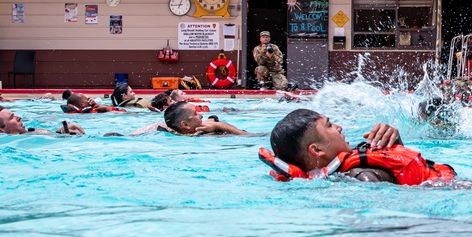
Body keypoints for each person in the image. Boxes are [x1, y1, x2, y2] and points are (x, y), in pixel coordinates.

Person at [264, 108, 455, 185]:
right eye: (329, 125)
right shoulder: (358, 176)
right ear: (317, 150)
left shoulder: (343, 172)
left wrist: (397, 145)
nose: (339, 127)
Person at [0, 105, 84, 135]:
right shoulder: (26, 137)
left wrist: (60, 131)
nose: (18, 117)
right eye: (11, 117)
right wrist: (61, 134)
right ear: (0, 131)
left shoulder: (28, 133)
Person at [163, 101, 250, 135]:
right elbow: (247, 136)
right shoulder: (203, 138)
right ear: (185, 125)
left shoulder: (173, 131)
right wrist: (218, 125)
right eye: (195, 114)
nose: (201, 115)